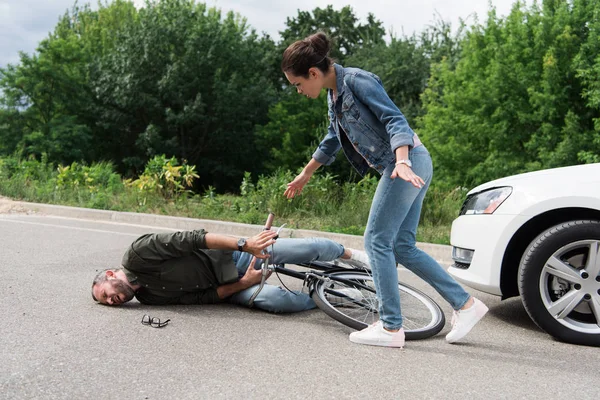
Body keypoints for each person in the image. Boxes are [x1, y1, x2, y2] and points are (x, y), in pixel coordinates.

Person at [280, 32, 488, 348]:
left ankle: (391, 328)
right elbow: (332, 138)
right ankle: (466, 305)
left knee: (376, 239)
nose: (297, 91)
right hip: (412, 162)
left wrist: (401, 161)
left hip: (407, 161)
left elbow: (395, 119)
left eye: (297, 84)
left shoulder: (357, 81)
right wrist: (305, 174)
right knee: (402, 245)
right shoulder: (333, 95)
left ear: (312, 73)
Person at [91, 228, 369, 313]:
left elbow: (194, 238)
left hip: (234, 257)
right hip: (232, 287)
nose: (111, 301)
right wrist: (245, 283)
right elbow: (202, 299)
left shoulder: (137, 254)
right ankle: (329, 299)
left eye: (106, 295)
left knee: (292, 250)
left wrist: (245, 245)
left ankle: (351, 254)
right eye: (107, 303)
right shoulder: (149, 299)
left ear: (111, 275)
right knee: (275, 301)